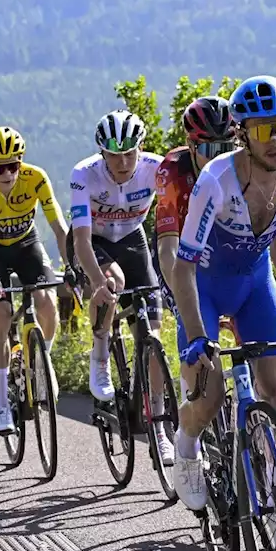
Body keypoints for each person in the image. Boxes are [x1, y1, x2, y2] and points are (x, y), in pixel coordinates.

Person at [167, 76, 276, 551]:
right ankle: (186, 440)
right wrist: (198, 337)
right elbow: (182, 268)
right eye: (264, 132)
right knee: (212, 390)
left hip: (255, 286)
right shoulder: (215, 180)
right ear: (242, 134)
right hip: (205, 288)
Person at [153, 96, 276, 363]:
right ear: (190, 145)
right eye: (210, 150)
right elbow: (168, 248)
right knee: (201, 372)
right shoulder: (173, 171)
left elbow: (274, 233)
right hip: (187, 265)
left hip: (234, 267)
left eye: (226, 147)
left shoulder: (246, 166)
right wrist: (184, 299)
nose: (219, 158)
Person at [67, 109, 175, 464]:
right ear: (102, 153)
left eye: (130, 152)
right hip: (92, 242)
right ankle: (99, 355)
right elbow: (81, 240)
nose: (124, 161)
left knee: (154, 337)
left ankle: (158, 426)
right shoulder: (84, 175)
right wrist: (97, 283)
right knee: (113, 283)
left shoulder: (157, 169)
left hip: (132, 238)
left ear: (141, 148)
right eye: (115, 154)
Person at [0, 125, 71, 435]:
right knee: (2, 313)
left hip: (26, 244)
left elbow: (59, 228)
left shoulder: (36, 178)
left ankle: (41, 362)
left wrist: (70, 264)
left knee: (47, 302)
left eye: (14, 165)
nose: (8, 173)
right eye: (0, 167)